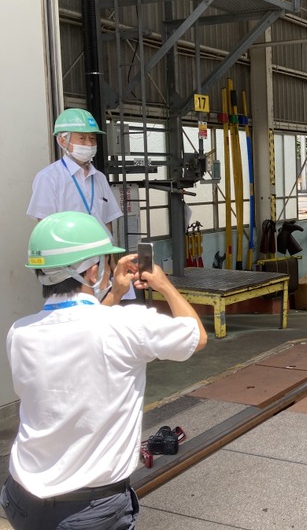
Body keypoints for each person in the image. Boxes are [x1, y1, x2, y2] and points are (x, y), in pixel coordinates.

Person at [1, 211, 208, 529]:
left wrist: (111, 294)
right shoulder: (128, 324)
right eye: (107, 263)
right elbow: (196, 336)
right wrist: (164, 284)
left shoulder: (20, 333)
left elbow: (83, 332)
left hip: (20, 499)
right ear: (94, 270)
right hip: (89, 511)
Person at [27, 108, 123, 234]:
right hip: (68, 253)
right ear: (63, 140)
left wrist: (110, 249)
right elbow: (45, 225)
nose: (89, 144)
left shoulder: (99, 178)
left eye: (92, 138)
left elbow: (107, 221)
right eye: (82, 138)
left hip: (100, 251)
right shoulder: (48, 178)